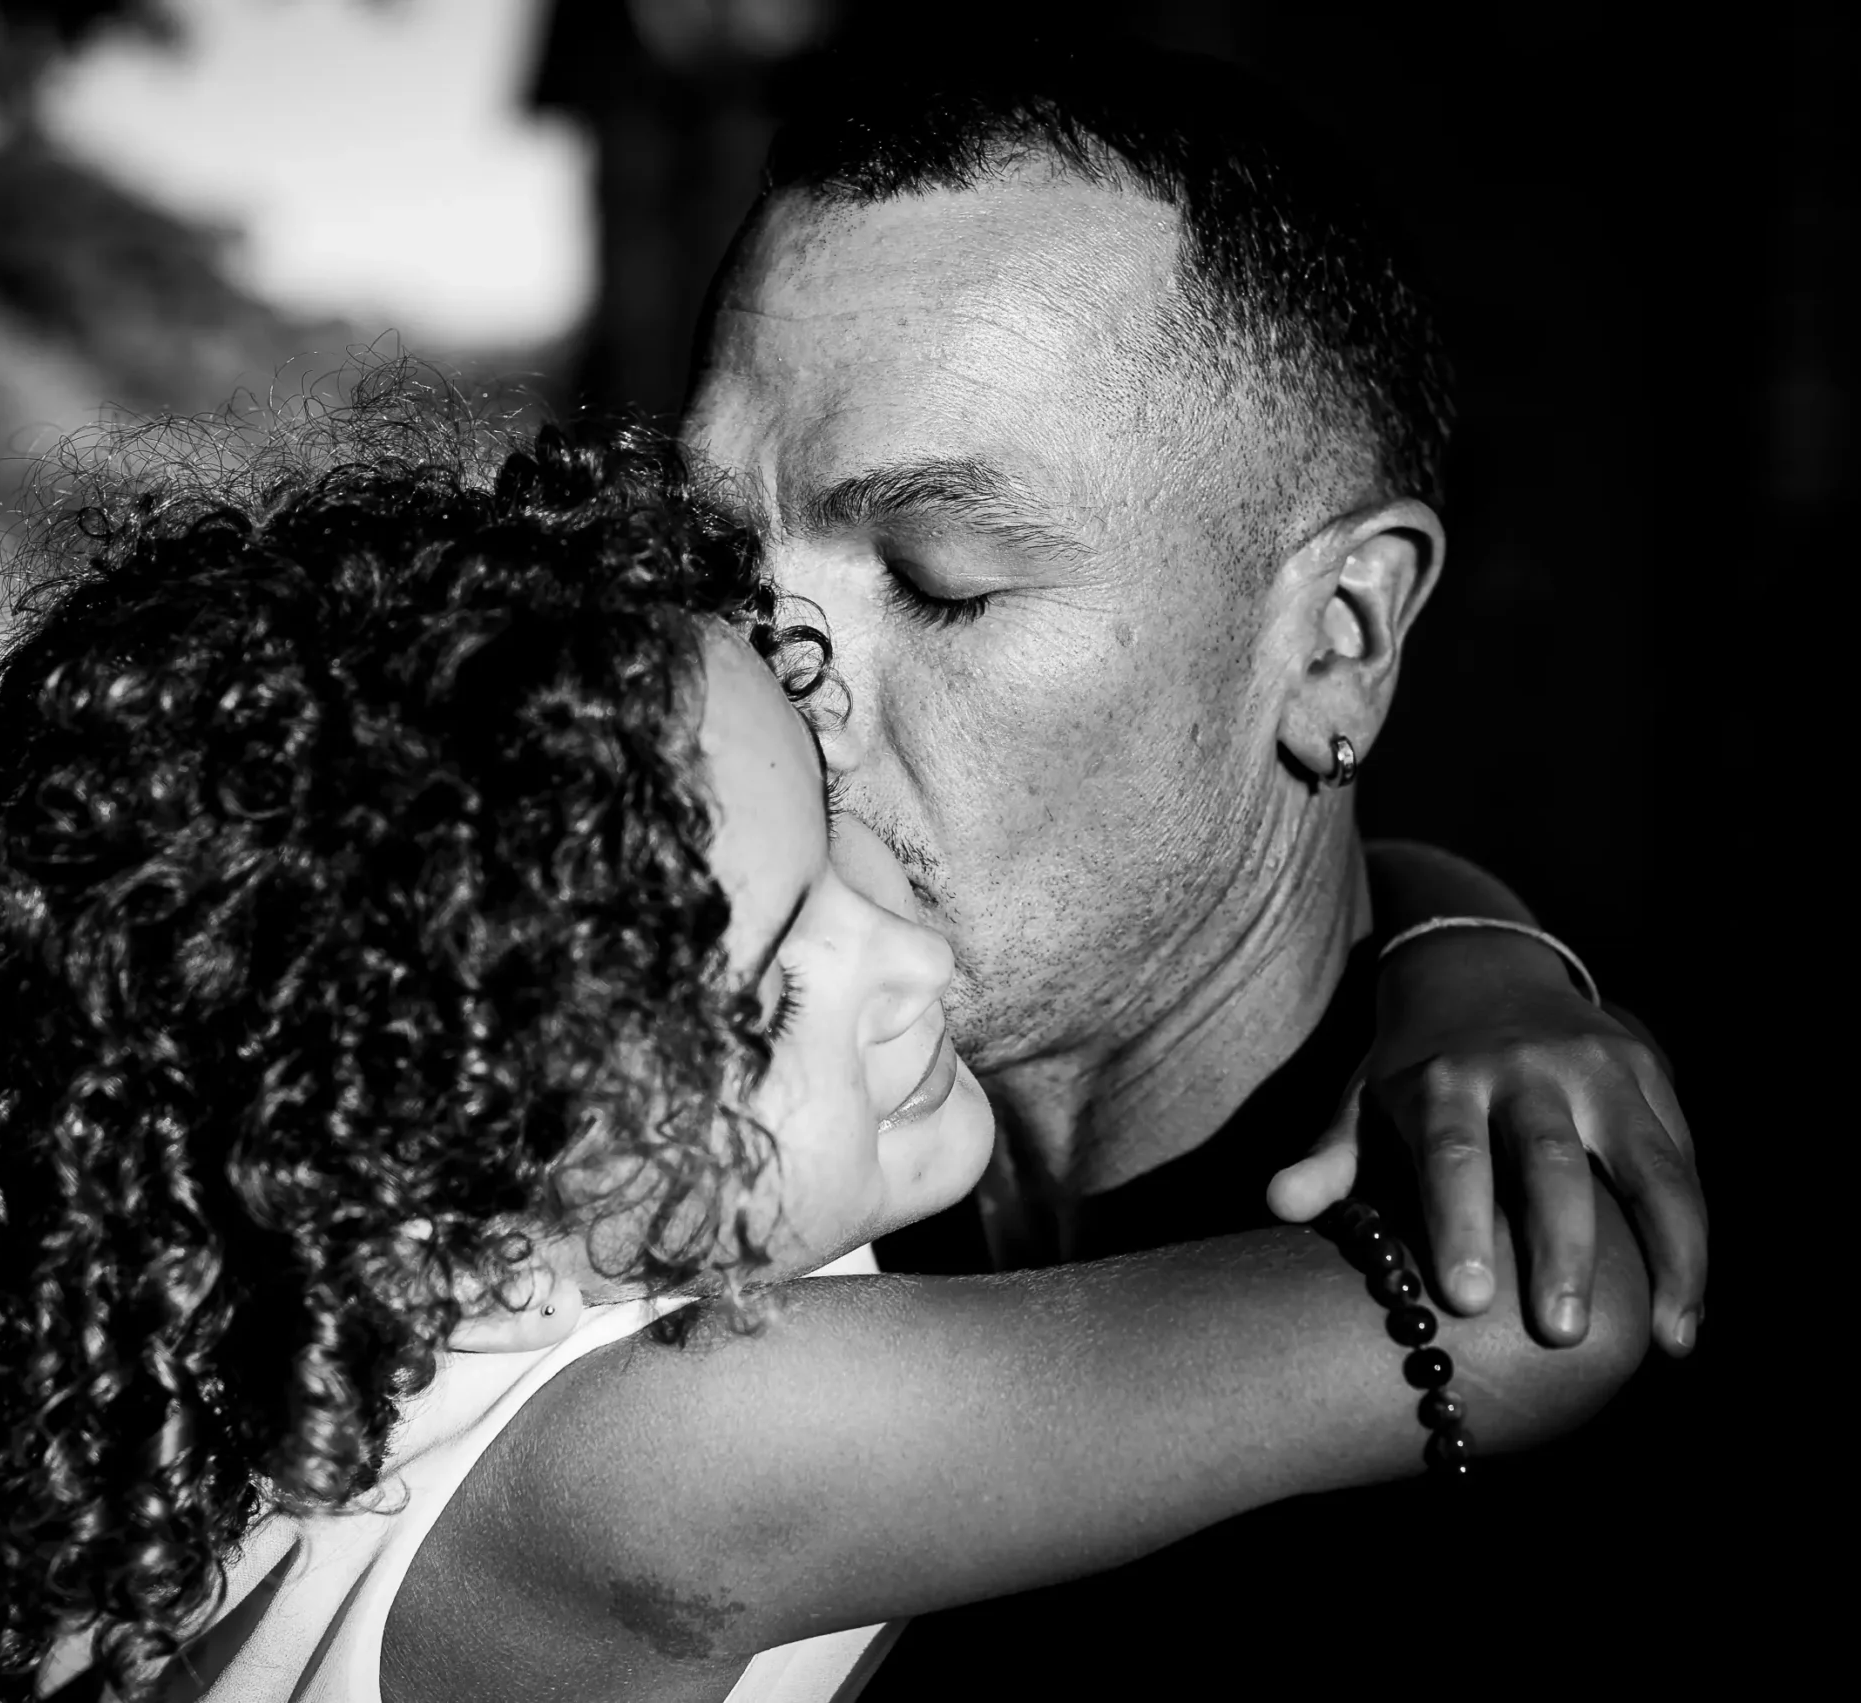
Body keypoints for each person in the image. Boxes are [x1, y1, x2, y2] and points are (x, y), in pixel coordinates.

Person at [0, 398, 1650, 1703]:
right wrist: (1482, 956)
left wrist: (1449, 923)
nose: (905, 953)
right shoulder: (673, 1459)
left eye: (827, 831)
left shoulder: (277, 1345)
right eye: (755, 991)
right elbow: (1532, 1329)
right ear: (417, 1155)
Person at [674, 40, 1710, 1687]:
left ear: (1339, 640)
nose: (778, 680)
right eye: (706, 557)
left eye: (940, 582)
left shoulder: (1570, 1308)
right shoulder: (655, 1202)